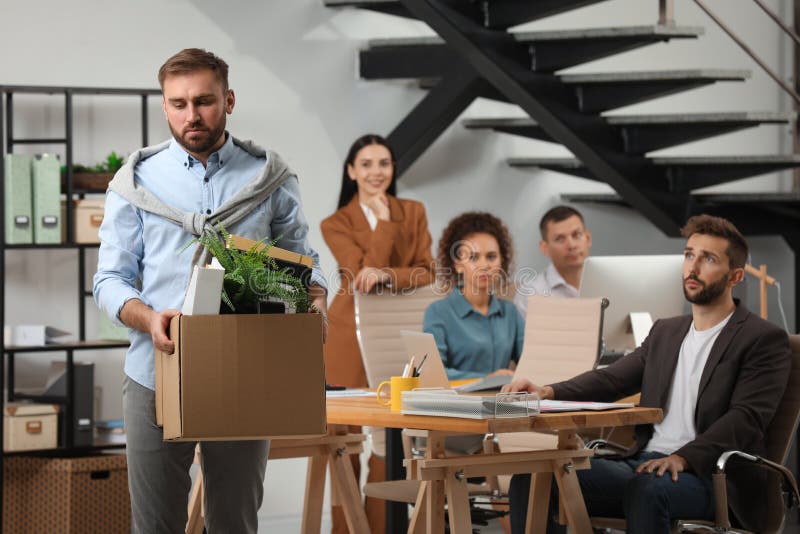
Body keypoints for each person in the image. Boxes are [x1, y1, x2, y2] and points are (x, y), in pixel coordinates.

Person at [93, 48, 328, 534]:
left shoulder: (269, 177)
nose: (191, 115)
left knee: (235, 523)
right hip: (154, 371)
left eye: (204, 101)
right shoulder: (135, 182)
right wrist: (147, 317)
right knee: (155, 526)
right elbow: (108, 281)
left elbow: (305, 262)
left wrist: (317, 300)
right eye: (178, 103)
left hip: (245, 368)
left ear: (229, 100)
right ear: (164, 107)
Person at [503, 214, 791, 534]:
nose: (693, 268)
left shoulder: (762, 338)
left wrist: (684, 457)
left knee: (647, 489)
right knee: (533, 479)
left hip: (711, 477)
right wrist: (548, 391)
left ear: (735, 276)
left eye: (708, 259)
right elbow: (612, 380)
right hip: (645, 463)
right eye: (689, 255)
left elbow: (746, 418)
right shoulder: (667, 331)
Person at [320, 133, 435, 533]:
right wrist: (384, 226)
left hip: (394, 334)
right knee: (343, 447)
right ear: (351, 171)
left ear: (393, 169)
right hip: (345, 338)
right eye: (366, 164)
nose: (375, 172)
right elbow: (358, 276)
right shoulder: (335, 223)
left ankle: (384, 528)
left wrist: (387, 274)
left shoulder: (414, 211)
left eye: (383, 163)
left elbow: (427, 271)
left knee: (393, 442)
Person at [423, 211, 525, 380]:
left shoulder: (510, 312)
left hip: (502, 403)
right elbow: (433, 373)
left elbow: (531, 364)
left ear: (502, 261)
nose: (484, 265)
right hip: (457, 403)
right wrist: (487, 379)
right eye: (474, 257)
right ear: (458, 265)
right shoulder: (438, 312)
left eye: (491, 257)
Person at [513, 205, 591, 317]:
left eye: (576, 235)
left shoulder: (608, 284)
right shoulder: (530, 294)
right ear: (545, 248)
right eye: (560, 239)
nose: (571, 245)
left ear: (588, 238)